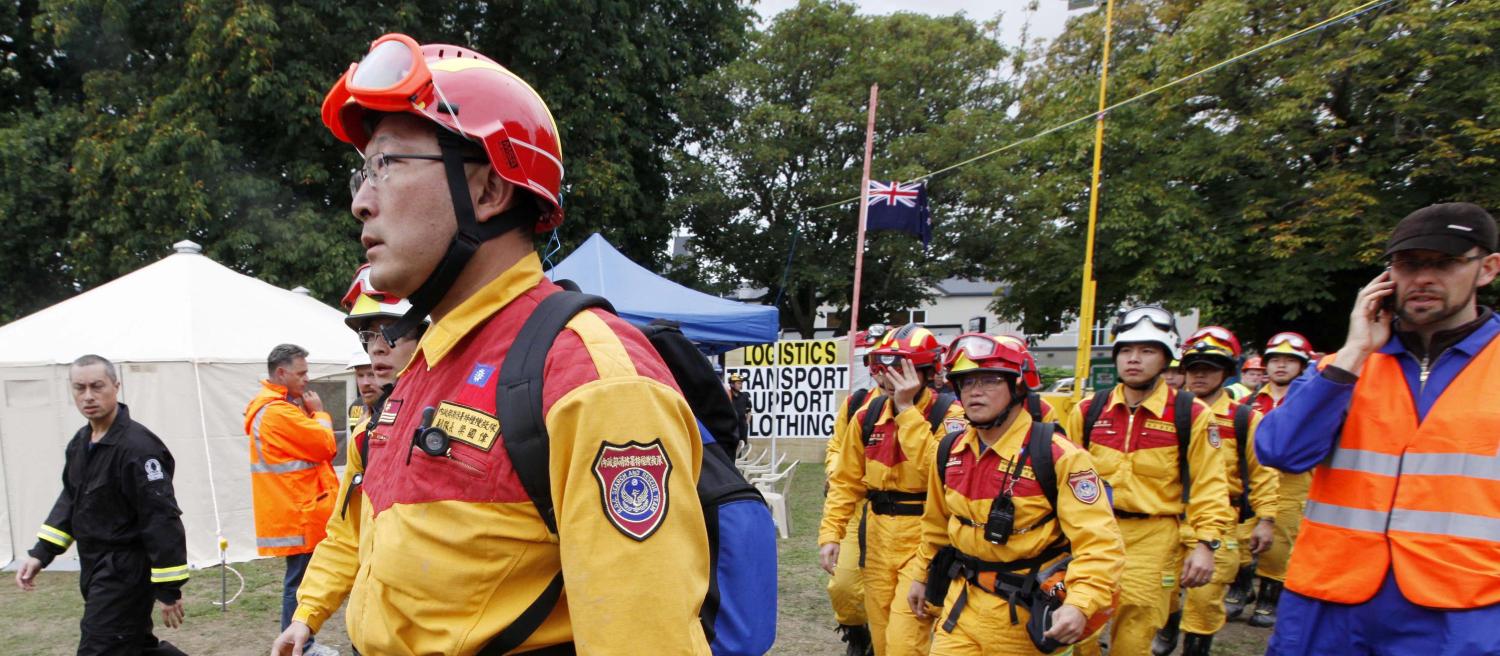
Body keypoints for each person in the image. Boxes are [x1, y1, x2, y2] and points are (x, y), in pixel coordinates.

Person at [320, 33, 711, 653]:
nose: (361, 203)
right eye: (360, 174)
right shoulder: (428, 361)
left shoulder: (589, 375)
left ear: (488, 191)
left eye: (387, 165)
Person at [1258, 202, 1500, 655]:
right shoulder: (1343, 366)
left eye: (1444, 263)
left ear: (1487, 269)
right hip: (1329, 601)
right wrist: (1353, 354)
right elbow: (1279, 451)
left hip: (1461, 607)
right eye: (1409, 265)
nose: (1423, 278)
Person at [904, 333, 1125, 654]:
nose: (975, 392)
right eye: (966, 383)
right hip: (960, 611)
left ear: (1019, 386)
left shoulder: (1058, 456)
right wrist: (921, 575)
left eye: (990, 381)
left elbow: (1100, 545)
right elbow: (936, 526)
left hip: (1022, 619)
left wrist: (1079, 603)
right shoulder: (949, 452)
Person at [274, 265, 429, 656]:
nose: (375, 348)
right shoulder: (369, 434)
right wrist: (304, 616)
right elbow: (347, 534)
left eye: (389, 333)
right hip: (373, 639)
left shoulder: (469, 416)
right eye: (367, 336)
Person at [1065, 305, 1233, 656]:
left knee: (1135, 634)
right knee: (1077, 630)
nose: (1134, 359)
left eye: (1147, 351)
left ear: (1167, 358)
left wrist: (1206, 543)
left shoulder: (1190, 414)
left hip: (1154, 541)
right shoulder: (1088, 411)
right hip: (1092, 535)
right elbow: (1064, 479)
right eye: (1126, 350)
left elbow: (1209, 484)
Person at [16, 355, 189, 656]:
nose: (88, 396)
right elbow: (72, 500)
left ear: (116, 386)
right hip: (94, 565)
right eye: (79, 388)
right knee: (131, 646)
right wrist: (41, 553)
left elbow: (161, 518)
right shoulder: (81, 442)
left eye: (97, 386)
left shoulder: (139, 448)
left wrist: (168, 588)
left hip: (126, 570)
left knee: (99, 648)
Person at [819, 325, 964, 656]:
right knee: (882, 640)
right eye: (882, 370)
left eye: (900, 370)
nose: (887, 379)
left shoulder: (951, 417)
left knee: (904, 643)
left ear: (926, 372)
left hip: (925, 539)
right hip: (877, 537)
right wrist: (831, 534)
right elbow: (845, 482)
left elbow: (941, 475)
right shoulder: (866, 416)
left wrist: (906, 412)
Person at [1154, 328, 1278, 655]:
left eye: (1209, 368)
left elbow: (1262, 471)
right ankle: (1166, 629)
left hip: (1221, 523)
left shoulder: (1244, 418)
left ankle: (1196, 648)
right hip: (1167, 522)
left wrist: (1266, 518)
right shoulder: (1165, 415)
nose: (1199, 375)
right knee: (1160, 594)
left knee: (1205, 601)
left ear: (1225, 372)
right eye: (1193, 368)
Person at [245, 343, 339, 655]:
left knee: (300, 580)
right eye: (301, 373)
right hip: (298, 510)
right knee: (299, 584)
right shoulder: (278, 412)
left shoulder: (279, 408)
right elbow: (325, 445)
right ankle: (301, 645)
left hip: (298, 507)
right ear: (282, 373)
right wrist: (321, 414)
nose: (307, 379)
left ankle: (302, 642)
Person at [1237, 330, 1315, 628]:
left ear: (1302, 366)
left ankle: (1269, 599)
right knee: (1241, 536)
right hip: (1253, 477)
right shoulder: (1250, 401)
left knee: (1279, 542)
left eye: (1289, 361)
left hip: (1293, 480)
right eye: (1275, 360)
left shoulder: (1309, 401)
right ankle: (1241, 587)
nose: (1280, 366)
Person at [825, 329, 883, 656]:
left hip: (910, 515)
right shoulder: (857, 404)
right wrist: (840, 470)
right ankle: (858, 635)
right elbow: (836, 448)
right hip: (857, 506)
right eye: (874, 362)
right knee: (843, 586)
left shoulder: (936, 410)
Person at [347, 351, 379, 428]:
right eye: (360, 375)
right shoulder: (355, 407)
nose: (365, 383)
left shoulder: (401, 407)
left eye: (372, 375)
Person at [728, 371, 753, 457]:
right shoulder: (728, 396)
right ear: (732, 384)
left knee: (743, 446)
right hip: (732, 425)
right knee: (732, 446)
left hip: (742, 425)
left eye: (741, 383)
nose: (740, 385)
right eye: (738, 383)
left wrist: (747, 422)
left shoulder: (745, 396)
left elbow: (749, 410)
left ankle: (742, 466)